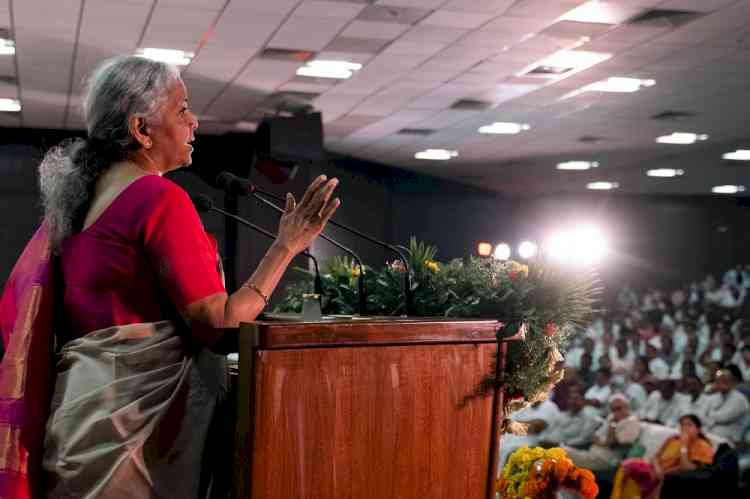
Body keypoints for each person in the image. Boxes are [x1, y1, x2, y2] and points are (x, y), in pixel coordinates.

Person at [0, 56, 340, 498]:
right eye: (182, 110)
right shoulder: (158, 199)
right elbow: (219, 326)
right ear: (141, 128)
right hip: (138, 444)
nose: (194, 122)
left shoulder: (79, 204)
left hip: (80, 428)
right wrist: (286, 247)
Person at [610, 414, 715, 499]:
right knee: (627, 467)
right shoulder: (673, 439)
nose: (685, 428)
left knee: (630, 468)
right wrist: (657, 469)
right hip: (654, 470)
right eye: (682, 425)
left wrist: (684, 445)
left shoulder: (702, 445)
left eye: (689, 425)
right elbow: (655, 457)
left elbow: (687, 468)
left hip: (667, 476)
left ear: (698, 429)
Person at [566, 394, 641, 471]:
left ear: (627, 407)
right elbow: (595, 437)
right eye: (613, 409)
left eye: (618, 408)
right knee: (562, 452)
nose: (616, 412)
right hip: (593, 453)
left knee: (563, 453)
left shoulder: (632, 421)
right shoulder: (611, 417)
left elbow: (613, 443)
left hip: (606, 459)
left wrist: (612, 426)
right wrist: (604, 443)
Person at [704, 369, 750, 443]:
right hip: (713, 434)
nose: (720, 383)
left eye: (724, 381)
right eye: (717, 381)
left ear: (732, 382)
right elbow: (703, 413)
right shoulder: (716, 396)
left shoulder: (739, 399)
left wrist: (709, 414)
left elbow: (723, 418)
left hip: (731, 439)